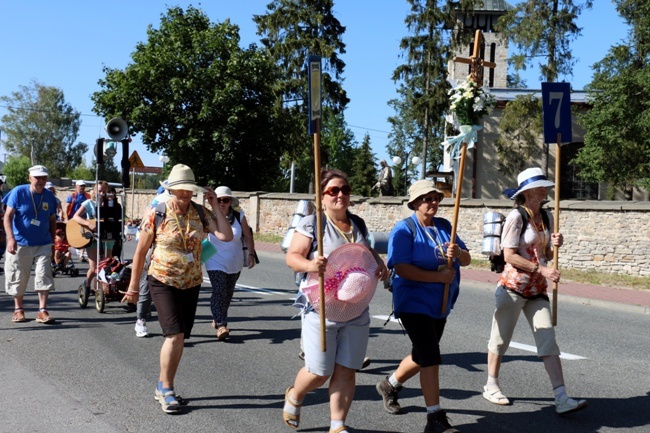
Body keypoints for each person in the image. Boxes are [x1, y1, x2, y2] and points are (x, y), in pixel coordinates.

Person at [283, 168, 388, 433]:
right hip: (321, 308)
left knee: (347, 369)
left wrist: (379, 264)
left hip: (356, 306)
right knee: (319, 372)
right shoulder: (312, 224)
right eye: (333, 190)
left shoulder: (358, 223)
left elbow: (365, 250)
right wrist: (309, 263)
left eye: (345, 190)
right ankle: (295, 395)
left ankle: (337, 426)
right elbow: (292, 256)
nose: (340, 195)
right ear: (322, 196)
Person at [121, 164, 232, 414]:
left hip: (191, 282)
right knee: (173, 334)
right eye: (180, 190)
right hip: (162, 280)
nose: (185, 195)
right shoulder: (157, 212)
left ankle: (162, 385)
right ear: (172, 190)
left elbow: (226, 236)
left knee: (180, 336)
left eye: (189, 190)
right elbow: (140, 252)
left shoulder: (201, 213)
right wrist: (132, 287)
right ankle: (167, 389)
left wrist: (214, 204)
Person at [482, 167, 587, 415]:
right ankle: (491, 385)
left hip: (537, 290)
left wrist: (554, 245)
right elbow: (509, 256)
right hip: (513, 287)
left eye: (546, 186)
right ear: (528, 192)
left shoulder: (547, 216)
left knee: (548, 341)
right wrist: (542, 270)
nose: (546, 189)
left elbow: (547, 254)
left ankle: (561, 396)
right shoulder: (516, 217)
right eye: (541, 186)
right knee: (500, 339)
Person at [376, 179, 471, 433]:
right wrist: (437, 277)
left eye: (436, 198)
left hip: (440, 302)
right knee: (430, 356)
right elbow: (401, 267)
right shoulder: (404, 230)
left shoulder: (444, 227)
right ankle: (435, 418)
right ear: (415, 203)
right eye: (427, 198)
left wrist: (458, 253)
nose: (433, 202)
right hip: (412, 301)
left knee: (422, 354)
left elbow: (468, 258)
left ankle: (389, 385)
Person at [3, 165, 58, 324]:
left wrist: (53, 241)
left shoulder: (49, 196)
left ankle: (42, 310)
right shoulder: (18, 192)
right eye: (37, 177)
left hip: (43, 243)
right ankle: (18, 309)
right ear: (30, 178)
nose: (41, 181)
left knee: (43, 274)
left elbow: (52, 220)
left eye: (43, 178)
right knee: (18, 276)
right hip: (20, 243)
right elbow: (7, 217)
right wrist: (10, 238)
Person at [204, 186, 256, 340]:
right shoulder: (209, 216)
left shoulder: (239, 216)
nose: (221, 202)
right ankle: (221, 325)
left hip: (235, 261)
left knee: (227, 294)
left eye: (225, 200)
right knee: (219, 291)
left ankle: (218, 316)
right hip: (214, 260)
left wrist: (251, 254)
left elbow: (247, 236)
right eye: (218, 199)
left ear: (230, 202)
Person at [133, 181, 171, 338]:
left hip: (173, 257)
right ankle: (140, 320)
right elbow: (146, 223)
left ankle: (171, 328)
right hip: (153, 249)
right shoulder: (160, 201)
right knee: (146, 287)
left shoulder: (187, 204)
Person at [71, 181, 110, 294]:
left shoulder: (110, 203)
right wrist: (89, 224)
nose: (101, 193)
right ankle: (87, 283)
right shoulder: (89, 203)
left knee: (106, 264)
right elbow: (76, 217)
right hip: (93, 237)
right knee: (94, 268)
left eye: (104, 191)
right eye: (99, 191)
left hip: (107, 237)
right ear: (94, 191)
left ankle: (100, 288)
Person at [65, 180, 90, 262]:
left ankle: (81, 255)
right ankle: (68, 253)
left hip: (83, 219)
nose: (82, 187)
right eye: (80, 186)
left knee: (83, 236)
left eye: (83, 186)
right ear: (76, 186)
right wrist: (66, 219)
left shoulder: (87, 196)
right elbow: (66, 208)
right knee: (71, 236)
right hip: (72, 219)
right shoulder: (72, 196)